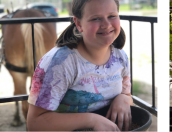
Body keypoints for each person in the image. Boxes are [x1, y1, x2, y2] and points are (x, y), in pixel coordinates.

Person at [27, 0, 131, 131]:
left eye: (112, 16)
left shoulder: (121, 57)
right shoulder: (58, 63)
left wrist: (123, 98)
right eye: (96, 18)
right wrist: (92, 120)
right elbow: (34, 123)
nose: (106, 24)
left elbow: (127, 95)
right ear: (78, 23)